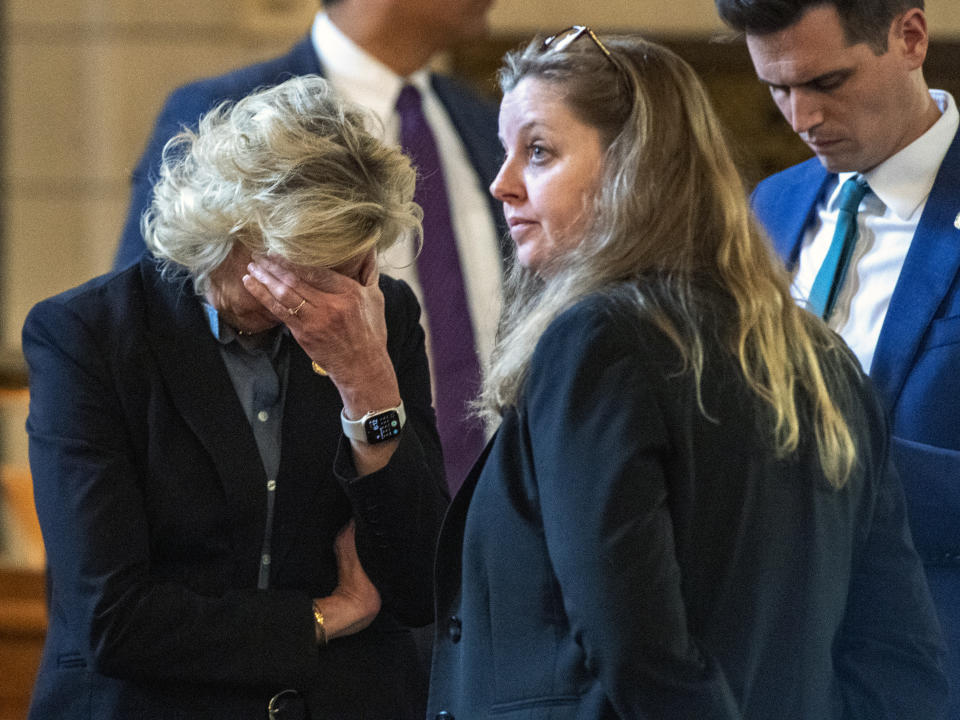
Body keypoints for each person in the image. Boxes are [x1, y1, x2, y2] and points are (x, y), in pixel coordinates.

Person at [426, 28, 947, 719]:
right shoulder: (825, 361)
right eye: (506, 152)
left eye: (540, 151)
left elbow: (635, 647)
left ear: (634, 169)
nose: (503, 183)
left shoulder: (598, 342)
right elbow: (903, 670)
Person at [23, 75, 447, 720]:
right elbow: (111, 618)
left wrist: (367, 385)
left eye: (349, 271)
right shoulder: (88, 336)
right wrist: (322, 618)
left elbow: (421, 586)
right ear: (228, 227)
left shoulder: (374, 318)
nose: (327, 303)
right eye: (305, 268)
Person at [114, 0, 507, 490]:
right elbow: (141, 335)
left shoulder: (488, 123)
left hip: (488, 524)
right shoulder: (226, 114)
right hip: (299, 526)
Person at [714, 0, 960, 714]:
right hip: (775, 670)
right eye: (777, 88)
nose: (801, 117)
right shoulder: (771, 205)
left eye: (827, 82)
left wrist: (827, 473)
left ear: (909, 37)